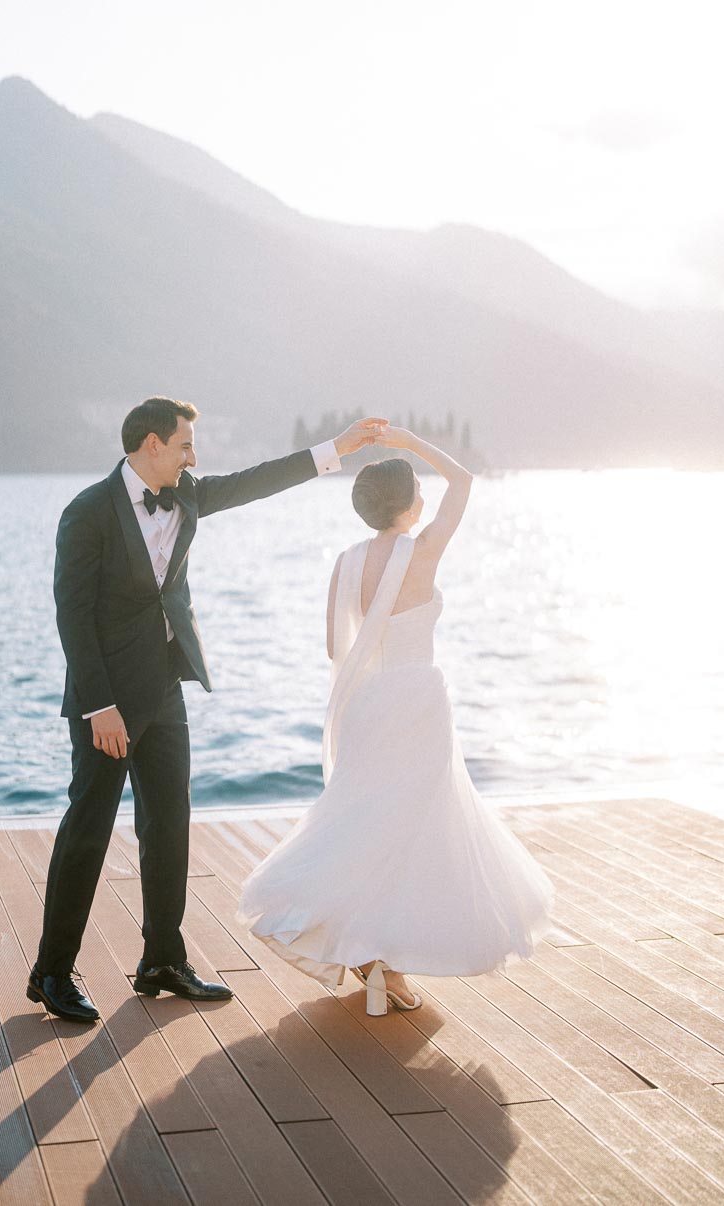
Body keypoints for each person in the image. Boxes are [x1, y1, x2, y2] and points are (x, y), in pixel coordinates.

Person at [28, 395, 387, 1022]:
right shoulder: (86, 513)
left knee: (168, 825)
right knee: (88, 829)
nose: (195, 456)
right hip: (107, 702)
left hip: (166, 687)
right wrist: (99, 707)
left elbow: (256, 482)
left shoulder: (187, 494)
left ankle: (163, 959)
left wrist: (339, 448)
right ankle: (52, 971)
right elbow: (73, 617)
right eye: (186, 444)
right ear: (150, 445)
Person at [237, 427, 554, 1016]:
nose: (425, 499)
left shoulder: (346, 560)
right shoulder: (423, 549)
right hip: (417, 702)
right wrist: (410, 441)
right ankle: (388, 962)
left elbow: (335, 645)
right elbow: (462, 479)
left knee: (365, 826)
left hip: (368, 704)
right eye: (417, 490)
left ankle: (372, 958)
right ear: (407, 502)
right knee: (416, 835)